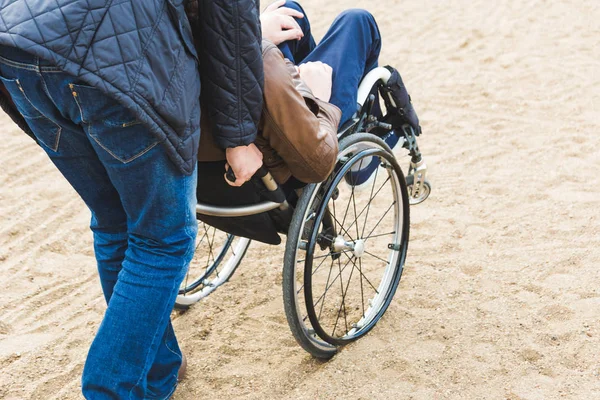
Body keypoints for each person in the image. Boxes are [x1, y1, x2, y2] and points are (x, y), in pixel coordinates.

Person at [0, 1, 263, 398]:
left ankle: (157, 376)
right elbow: (229, 13)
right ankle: (110, 391)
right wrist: (240, 135)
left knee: (113, 221)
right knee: (163, 240)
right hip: (112, 59)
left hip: (17, 44)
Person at [198, 0, 420, 189]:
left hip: (223, 114)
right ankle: (363, 158)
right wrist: (317, 99)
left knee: (291, 12)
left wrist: (255, 32)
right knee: (359, 22)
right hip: (289, 142)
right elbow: (314, 157)